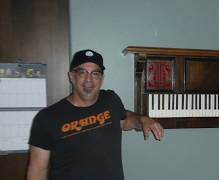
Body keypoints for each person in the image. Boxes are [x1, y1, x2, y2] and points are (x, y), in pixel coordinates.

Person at [27, 49, 164, 180]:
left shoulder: (111, 99)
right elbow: (37, 170)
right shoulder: (47, 118)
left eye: (95, 73)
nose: (89, 79)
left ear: (102, 78)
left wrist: (142, 119)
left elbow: (124, 120)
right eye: (82, 73)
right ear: (71, 77)